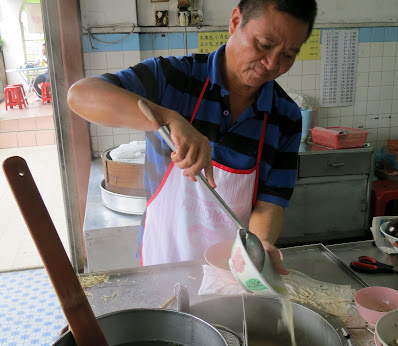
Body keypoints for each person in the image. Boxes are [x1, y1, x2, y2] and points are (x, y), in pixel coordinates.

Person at [67, 0, 317, 273]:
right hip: (161, 261)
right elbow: (80, 95)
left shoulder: (285, 117)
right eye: (264, 45)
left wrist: (260, 244)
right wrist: (170, 118)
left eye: (288, 55)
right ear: (235, 22)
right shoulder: (173, 78)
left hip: (230, 269)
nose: (271, 64)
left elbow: (271, 203)